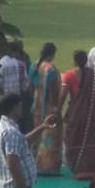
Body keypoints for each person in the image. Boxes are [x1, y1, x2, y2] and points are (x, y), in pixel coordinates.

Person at [60, 50, 95, 181]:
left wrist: (57, 111)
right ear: (86, 60)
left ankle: (78, 169)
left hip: (76, 116)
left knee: (73, 139)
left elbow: (62, 96)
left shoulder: (69, 75)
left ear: (74, 60)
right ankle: (92, 169)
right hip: (94, 116)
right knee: (92, 140)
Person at [30, 43, 64, 176]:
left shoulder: (34, 66)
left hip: (37, 106)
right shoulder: (51, 69)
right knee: (50, 137)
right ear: (53, 53)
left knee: (37, 133)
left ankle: (36, 163)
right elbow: (55, 89)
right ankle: (48, 166)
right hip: (50, 107)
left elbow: (31, 86)